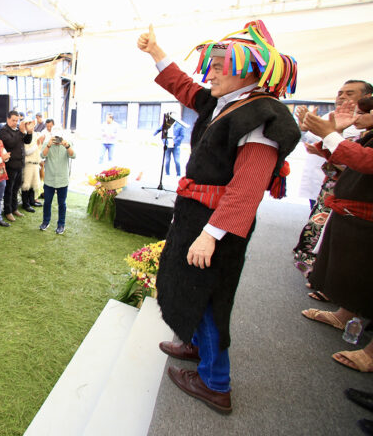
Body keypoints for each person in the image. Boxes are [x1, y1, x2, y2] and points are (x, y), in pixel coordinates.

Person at [137, 21, 300, 413]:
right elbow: (183, 86)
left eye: (221, 65)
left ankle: (216, 383)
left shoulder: (261, 116)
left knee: (210, 297)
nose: (210, 72)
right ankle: (194, 346)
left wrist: (211, 234)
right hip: (198, 215)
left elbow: (247, 188)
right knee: (189, 285)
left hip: (217, 224)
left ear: (248, 69)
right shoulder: (226, 101)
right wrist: (156, 51)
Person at [300, 95, 373, 373]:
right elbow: (350, 164)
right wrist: (334, 136)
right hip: (352, 215)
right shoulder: (366, 135)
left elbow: (367, 162)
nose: (355, 108)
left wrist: (331, 135)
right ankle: (345, 316)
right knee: (353, 275)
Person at [292, 80, 370, 278]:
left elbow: (360, 161)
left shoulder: (361, 128)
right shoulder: (338, 118)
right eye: (340, 93)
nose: (342, 97)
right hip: (333, 187)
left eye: (349, 93)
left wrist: (329, 135)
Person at [39, 127, 75, 234]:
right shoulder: (47, 143)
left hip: (63, 179)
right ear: (52, 136)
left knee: (62, 203)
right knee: (47, 202)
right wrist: (49, 145)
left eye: (59, 137)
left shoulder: (67, 143)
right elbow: (42, 155)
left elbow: (73, 155)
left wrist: (66, 145)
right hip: (49, 179)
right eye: (56, 137)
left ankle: (61, 225)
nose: (57, 140)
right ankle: (46, 222)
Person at [0, 111, 33, 221]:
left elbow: (27, 141)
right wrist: (21, 131)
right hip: (10, 165)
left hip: (19, 164)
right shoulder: (3, 131)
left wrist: (29, 132)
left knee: (16, 188)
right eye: (13, 120)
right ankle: (7, 211)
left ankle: (14, 208)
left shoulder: (18, 130)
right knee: (9, 189)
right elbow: (10, 143)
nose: (15, 122)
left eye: (17, 120)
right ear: (7, 119)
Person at [21, 120, 44, 212]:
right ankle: (25, 204)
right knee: (26, 185)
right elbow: (26, 152)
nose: (32, 127)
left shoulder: (36, 135)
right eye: (30, 125)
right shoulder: (25, 136)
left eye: (33, 125)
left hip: (36, 163)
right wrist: (37, 144)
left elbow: (39, 150)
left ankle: (31, 201)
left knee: (33, 184)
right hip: (28, 163)